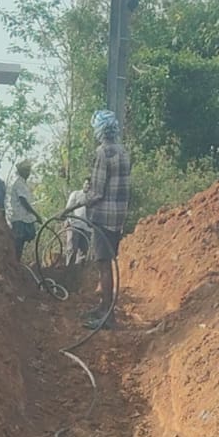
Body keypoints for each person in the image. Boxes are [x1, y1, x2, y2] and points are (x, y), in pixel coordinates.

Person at [82, 110, 131, 328]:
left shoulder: (102, 152)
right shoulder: (123, 151)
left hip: (103, 217)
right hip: (118, 217)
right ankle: (103, 308)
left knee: (103, 265)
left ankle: (108, 317)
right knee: (107, 262)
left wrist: (82, 199)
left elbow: (97, 192)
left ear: (99, 130)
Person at [6, 159, 40, 261]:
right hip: (19, 217)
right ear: (21, 171)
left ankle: (17, 262)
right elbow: (23, 201)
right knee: (17, 242)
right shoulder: (19, 183)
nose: (28, 173)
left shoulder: (23, 183)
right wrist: (36, 215)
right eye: (26, 170)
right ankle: (14, 262)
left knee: (22, 241)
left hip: (24, 218)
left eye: (29, 170)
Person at [64, 186, 91, 266]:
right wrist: (68, 220)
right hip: (74, 225)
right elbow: (68, 208)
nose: (88, 186)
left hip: (87, 228)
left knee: (84, 251)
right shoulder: (76, 194)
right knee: (72, 249)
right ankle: (69, 268)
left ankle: (80, 271)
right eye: (86, 183)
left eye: (90, 185)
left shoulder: (93, 198)